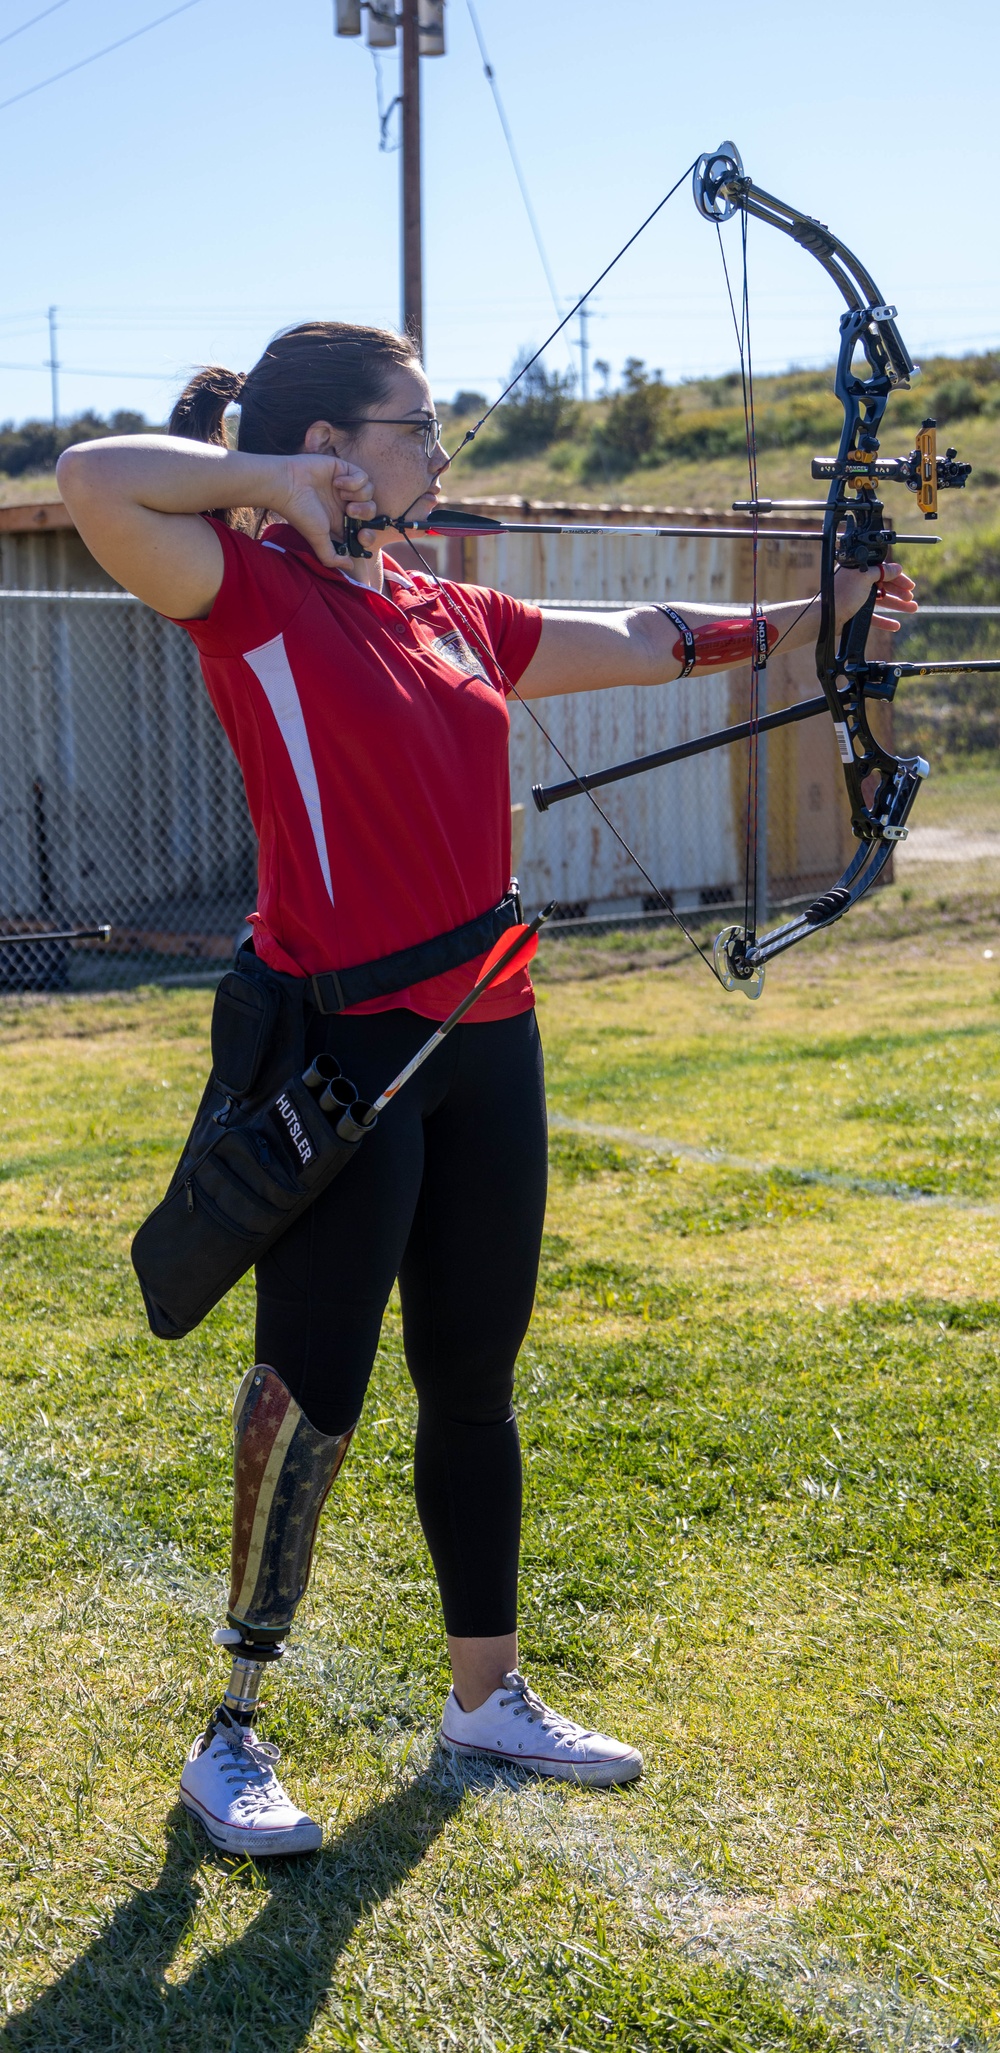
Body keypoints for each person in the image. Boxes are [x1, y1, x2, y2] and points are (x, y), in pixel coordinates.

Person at [56, 320, 916, 1857]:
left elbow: (647, 631)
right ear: (334, 449)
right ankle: (233, 1728)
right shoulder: (246, 597)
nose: (442, 451)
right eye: (418, 426)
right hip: (351, 1055)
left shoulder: (445, 608)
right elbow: (91, 476)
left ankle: (487, 1694)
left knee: (474, 1372)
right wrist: (273, 479)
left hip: (489, 1037)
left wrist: (818, 617)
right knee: (311, 1388)